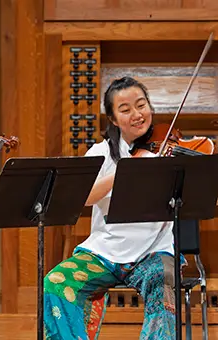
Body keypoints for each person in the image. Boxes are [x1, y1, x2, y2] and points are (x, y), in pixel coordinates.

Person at [43, 76, 180, 340]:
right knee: (56, 284)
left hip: (153, 252)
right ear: (114, 119)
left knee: (164, 282)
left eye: (141, 105)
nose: (137, 114)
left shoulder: (165, 153)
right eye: (126, 109)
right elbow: (82, 197)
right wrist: (122, 174)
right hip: (104, 253)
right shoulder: (101, 153)